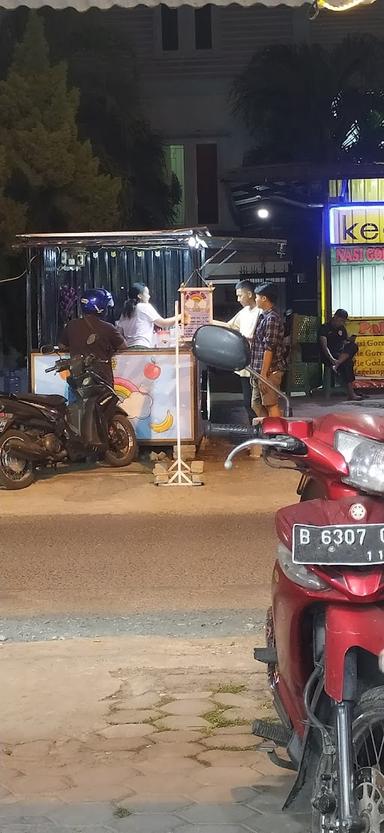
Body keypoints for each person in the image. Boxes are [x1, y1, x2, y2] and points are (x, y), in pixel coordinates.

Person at [212, 280, 260, 424]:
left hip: (258, 362)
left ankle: (265, 430)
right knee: (247, 400)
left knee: (257, 401)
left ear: (250, 294)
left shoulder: (261, 311)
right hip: (245, 362)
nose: (238, 299)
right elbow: (229, 325)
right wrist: (208, 319)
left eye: (240, 296)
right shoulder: (243, 312)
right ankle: (255, 428)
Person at [60, 288, 127, 387]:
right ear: (100, 308)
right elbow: (123, 347)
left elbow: (62, 346)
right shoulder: (108, 328)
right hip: (101, 379)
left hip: (78, 379)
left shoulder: (71, 325)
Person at [250, 282, 285, 418]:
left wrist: (263, 375)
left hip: (270, 371)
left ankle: (276, 435)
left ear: (264, 298)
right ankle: (267, 432)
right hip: (260, 371)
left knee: (270, 404)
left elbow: (269, 348)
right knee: (256, 404)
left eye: (257, 297)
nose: (255, 299)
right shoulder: (263, 316)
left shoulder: (272, 319)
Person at [116, 283, 181, 349]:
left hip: (128, 349)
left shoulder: (126, 311)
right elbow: (163, 323)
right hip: (142, 347)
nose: (149, 296)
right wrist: (180, 316)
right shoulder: (144, 306)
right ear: (139, 296)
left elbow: (119, 332)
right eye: (147, 293)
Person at [318, 310, 362, 401]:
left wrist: (349, 340)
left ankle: (337, 365)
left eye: (343, 321)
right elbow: (324, 346)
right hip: (329, 355)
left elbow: (344, 343)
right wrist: (331, 359)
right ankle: (351, 394)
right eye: (341, 320)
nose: (342, 323)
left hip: (340, 355)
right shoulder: (325, 328)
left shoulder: (342, 328)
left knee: (353, 346)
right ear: (336, 317)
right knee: (347, 363)